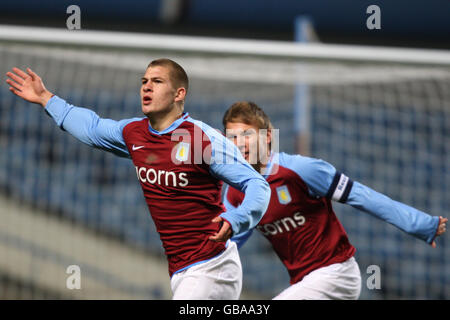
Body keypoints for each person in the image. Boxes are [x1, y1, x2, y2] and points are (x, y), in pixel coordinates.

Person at [5, 60, 271, 300]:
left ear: (179, 94)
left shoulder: (200, 139)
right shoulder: (135, 133)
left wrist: (237, 220)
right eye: (144, 82)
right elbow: (93, 127)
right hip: (182, 268)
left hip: (212, 265)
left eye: (157, 81)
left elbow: (257, 185)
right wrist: (46, 99)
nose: (146, 87)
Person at [222, 101, 447, 300]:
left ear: (267, 136)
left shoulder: (300, 170)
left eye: (247, 134)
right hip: (304, 282)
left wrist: (419, 223)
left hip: (337, 274)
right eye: (232, 137)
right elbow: (227, 244)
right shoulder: (236, 191)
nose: (239, 143)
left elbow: (363, 196)